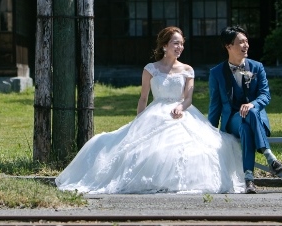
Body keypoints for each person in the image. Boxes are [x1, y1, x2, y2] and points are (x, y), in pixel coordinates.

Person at [56, 26, 245, 194]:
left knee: (199, 147)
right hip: (156, 111)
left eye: (181, 44)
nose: (179, 47)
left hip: (182, 112)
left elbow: (188, 98)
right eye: (175, 43)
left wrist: (180, 107)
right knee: (142, 148)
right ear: (164, 46)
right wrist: (138, 122)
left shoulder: (188, 69)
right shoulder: (151, 69)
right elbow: (143, 98)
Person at [208, 25, 282, 194]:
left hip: (255, 120)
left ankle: (249, 179)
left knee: (247, 123)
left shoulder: (257, 67)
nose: (246, 45)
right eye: (241, 42)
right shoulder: (216, 73)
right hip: (232, 122)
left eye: (246, 41)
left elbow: (265, 95)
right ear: (228, 46)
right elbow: (215, 105)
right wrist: (210, 131)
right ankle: (270, 157)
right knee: (243, 123)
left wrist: (253, 104)